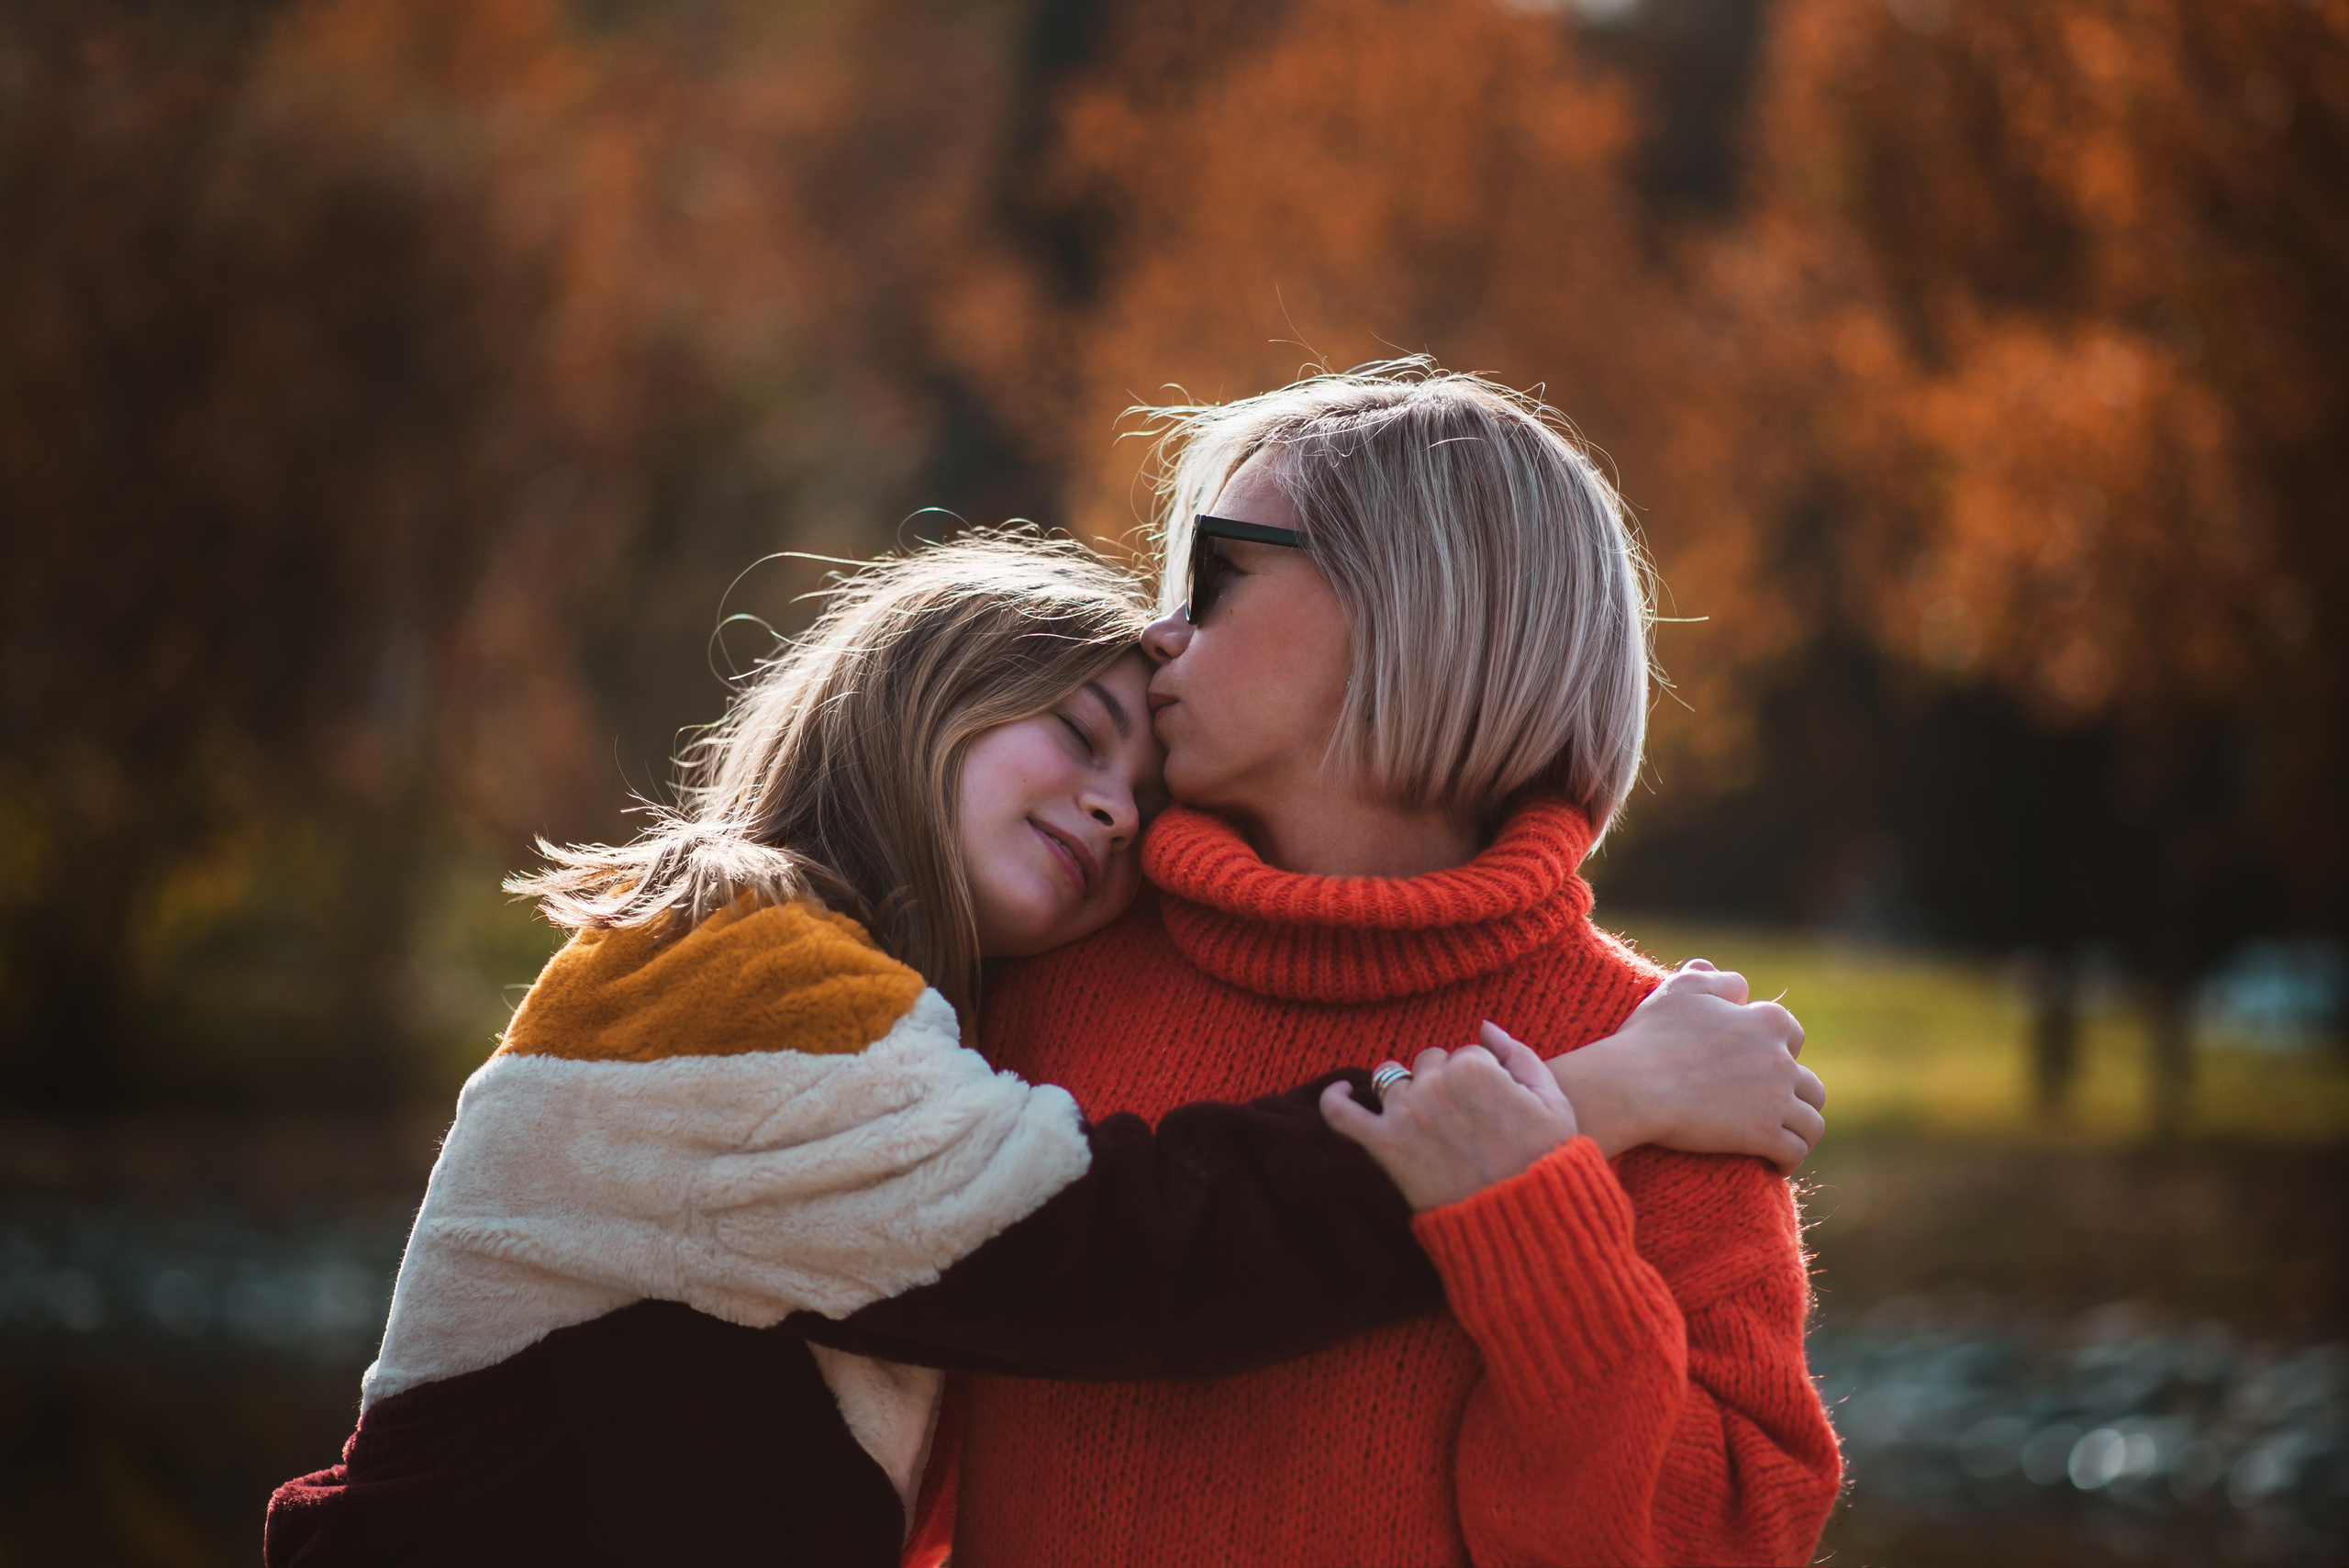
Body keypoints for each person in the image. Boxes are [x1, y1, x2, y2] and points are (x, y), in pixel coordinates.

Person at [263, 534, 1821, 1567]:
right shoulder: (734, 973)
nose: (1108, 806)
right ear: (913, 697)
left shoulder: (879, 1013)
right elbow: (1132, 1248)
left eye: (1141, 797)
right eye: (1076, 736)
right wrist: (1599, 1096)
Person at [952, 362, 1845, 1567]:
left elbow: (1722, 1543)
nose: (1159, 632)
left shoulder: (1686, 1073)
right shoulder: (1041, 972)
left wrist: (1541, 1237)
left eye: (1216, 576)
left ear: (1421, 603)